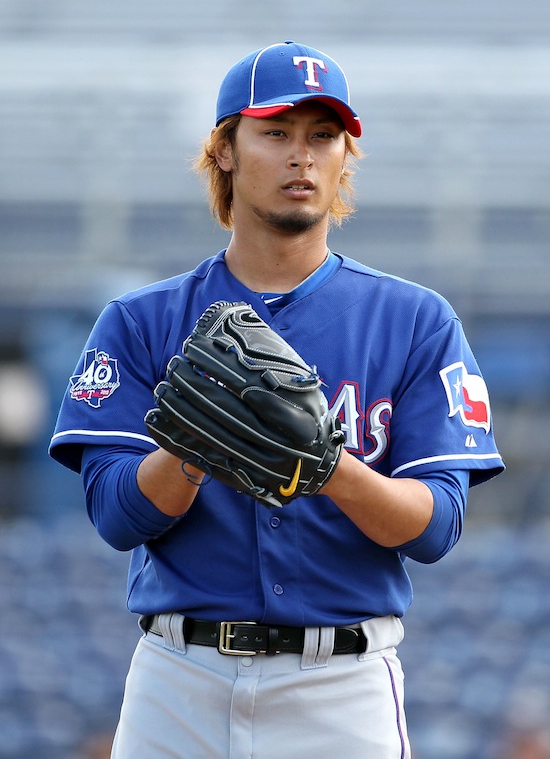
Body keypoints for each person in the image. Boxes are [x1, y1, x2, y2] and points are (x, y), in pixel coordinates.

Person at [49, 41, 505, 759]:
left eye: (323, 136)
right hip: (179, 678)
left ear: (344, 157)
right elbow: (116, 516)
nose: (303, 156)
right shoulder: (140, 321)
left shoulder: (415, 320)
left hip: (342, 686)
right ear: (225, 150)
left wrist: (328, 467)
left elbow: (435, 527)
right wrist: (193, 447)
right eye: (276, 133)